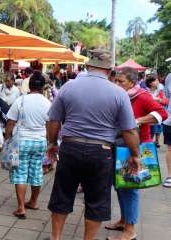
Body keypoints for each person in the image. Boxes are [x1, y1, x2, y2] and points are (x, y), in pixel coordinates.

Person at [46, 49, 140, 240]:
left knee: (62, 196)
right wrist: (135, 154)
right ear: (109, 70)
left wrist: (51, 143)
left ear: (88, 66)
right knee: (96, 201)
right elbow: (129, 130)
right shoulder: (119, 93)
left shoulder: (68, 87)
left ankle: (56, 238)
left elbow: (53, 120)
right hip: (101, 152)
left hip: (70, 148)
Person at [104, 67, 167, 240]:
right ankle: (124, 221)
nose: (116, 84)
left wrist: (138, 120)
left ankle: (130, 231)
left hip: (135, 148)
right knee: (119, 185)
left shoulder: (142, 96)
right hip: (119, 145)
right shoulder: (119, 95)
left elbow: (162, 113)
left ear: (132, 82)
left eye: (121, 81)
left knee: (130, 188)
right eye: (115, 80)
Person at [5, 70, 51, 219]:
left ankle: (21, 208)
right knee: (36, 172)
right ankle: (33, 201)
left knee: (20, 174)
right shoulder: (48, 103)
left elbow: (10, 122)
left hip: (22, 142)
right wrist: (50, 142)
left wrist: (7, 139)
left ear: (29, 86)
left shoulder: (21, 100)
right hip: (40, 142)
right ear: (43, 87)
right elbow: (51, 125)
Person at [146, 74, 169, 147]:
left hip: (158, 114)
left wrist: (158, 99)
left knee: (157, 129)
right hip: (148, 114)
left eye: (157, 80)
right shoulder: (146, 91)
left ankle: (155, 142)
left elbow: (166, 102)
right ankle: (149, 144)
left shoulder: (160, 91)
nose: (158, 82)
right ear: (150, 83)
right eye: (156, 80)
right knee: (149, 131)